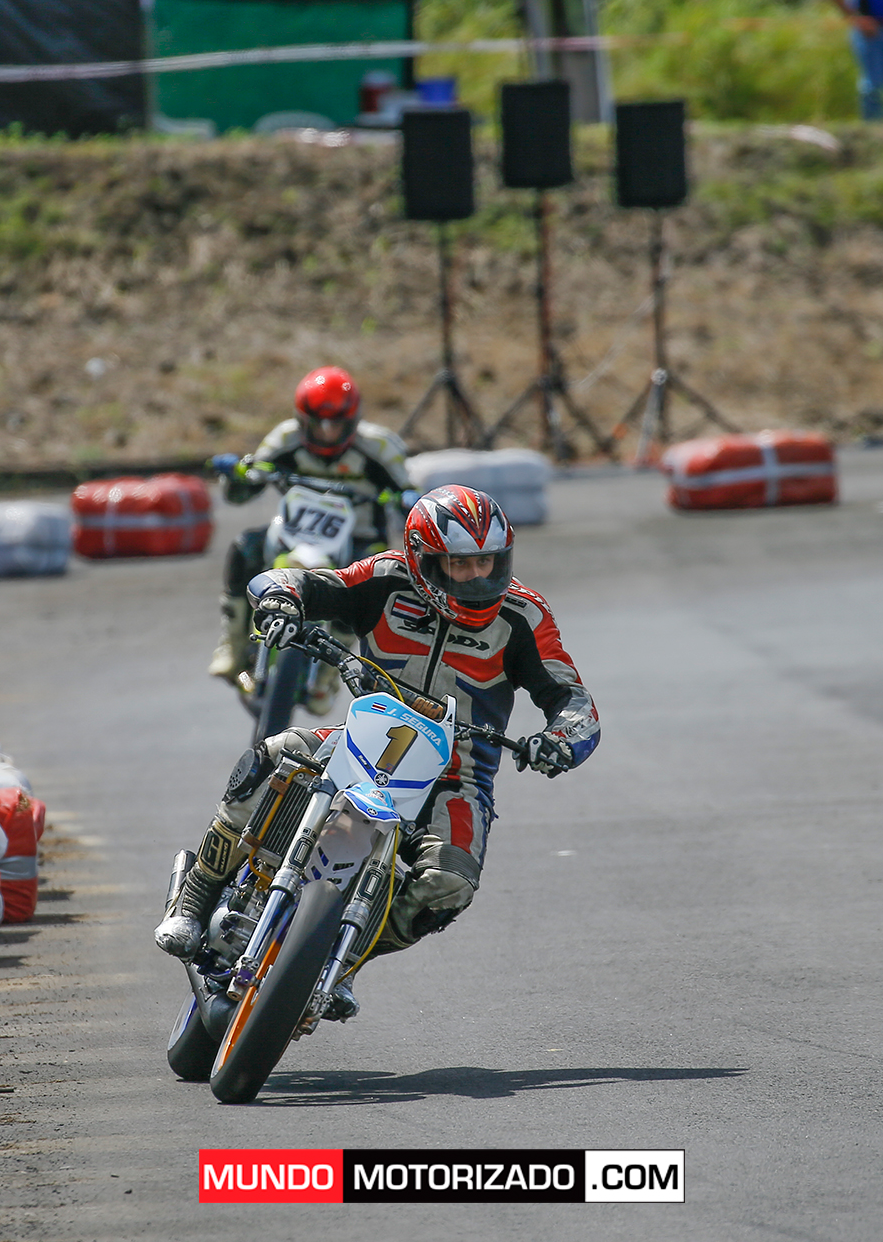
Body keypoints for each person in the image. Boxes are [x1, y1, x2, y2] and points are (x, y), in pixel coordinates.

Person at [159, 484, 600, 1019]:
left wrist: (562, 739)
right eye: (459, 564)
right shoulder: (386, 577)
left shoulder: (524, 615)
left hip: (456, 778)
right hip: (361, 744)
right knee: (274, 753)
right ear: (421, 558)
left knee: (450, 884)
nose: (476, 578)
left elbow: (572, 697)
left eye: (487, 562)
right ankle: (195, 898)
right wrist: (280, 601)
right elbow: (302, 582)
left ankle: (340, 963)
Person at [208, 366, 414, 712]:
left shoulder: (380, 446)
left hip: (359, 536)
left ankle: (331, 673)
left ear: (353, 420)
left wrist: (409, 498)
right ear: (302, 419)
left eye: (336, 425)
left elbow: (410, 496)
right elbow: (245, 488)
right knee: (245, 547)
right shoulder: (284, 438)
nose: (327, 433)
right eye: (318, 424)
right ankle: (232, 642)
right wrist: (236, 476)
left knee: (371, 579)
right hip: (294, 532)